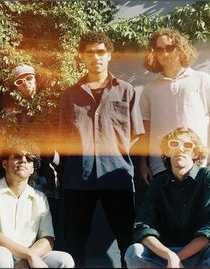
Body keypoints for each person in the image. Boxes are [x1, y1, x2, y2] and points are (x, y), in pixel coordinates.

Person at [58, 31, 144, 267]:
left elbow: (136, 133)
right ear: (82, 57)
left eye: (101, 52)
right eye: (90, 53)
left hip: (116, 175)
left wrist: (113, 152)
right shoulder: (68, 95)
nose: (95, 57)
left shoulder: (126, 90)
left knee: (127, 240)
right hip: (78, 177)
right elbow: (64, 137)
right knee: (74, 242)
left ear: (109, 56)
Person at [125, 127, 210, 268]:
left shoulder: (207, 177)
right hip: (164, 256)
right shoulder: (158, 183)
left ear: (195, 153)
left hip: (199, 255)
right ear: (168, 151)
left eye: (187, 145)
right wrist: (170, 256)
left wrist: (177, 259)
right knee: (134, 252)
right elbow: (143, 226)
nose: (180, 149)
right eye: (174, 144)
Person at [139, 28, 210, 185]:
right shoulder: (150, 89)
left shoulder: (203, 80)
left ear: (180, 48)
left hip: (197, 165)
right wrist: (142, 164)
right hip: (160, 168)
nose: (165, 53)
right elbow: (145, 130)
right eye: (159, 49)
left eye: (169, 47)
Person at [0, 64, 62, 237]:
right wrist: (4, 127)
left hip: (45, 174)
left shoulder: (50, 108)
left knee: (46, 222)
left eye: (29, 78)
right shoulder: (9, 113)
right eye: (19, 81)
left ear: (36, 79)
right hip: (17, 175)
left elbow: (57, 148)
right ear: (15, 87)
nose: (26, 83)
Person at [0, 138, 75, 268]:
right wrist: (30, 256)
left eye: (29, 158)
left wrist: (27, 259)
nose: (23, 160)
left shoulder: (40, 198)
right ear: (4, 164)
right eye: (17, 156)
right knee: (0, 256)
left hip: (27, 258)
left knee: (64, 259)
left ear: (33, 169)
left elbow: (48, 238)